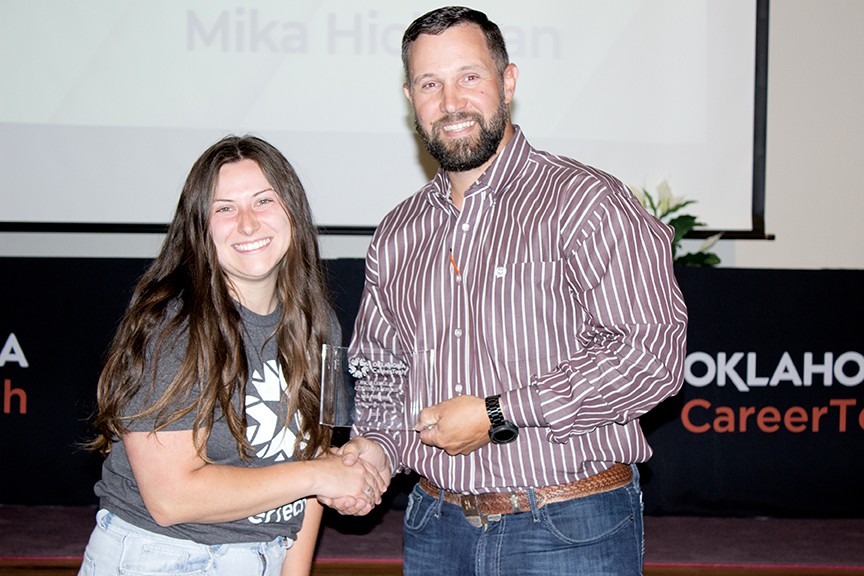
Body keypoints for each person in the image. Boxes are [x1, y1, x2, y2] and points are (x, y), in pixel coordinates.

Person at [330, 6, 689, 575]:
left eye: (469, 77)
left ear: (508, 81)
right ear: (409, 97)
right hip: (434, 527)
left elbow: (650, 357)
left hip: (568, 527)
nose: (451, 102)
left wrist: (498, 413)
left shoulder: (587, 202)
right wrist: (374, 448)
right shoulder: (398, 232)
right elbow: (384, 373)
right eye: (430, 84)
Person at [77, 135, 388, 576]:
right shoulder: (173, 324)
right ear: (199, 227)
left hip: (265, 556)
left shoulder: (318, 322)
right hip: (163, 557)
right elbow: (170, 499)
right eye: (224, 208)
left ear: (292, 212)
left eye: (263, 201)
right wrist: (319, 475)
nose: (247, 223)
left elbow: (312, 461)